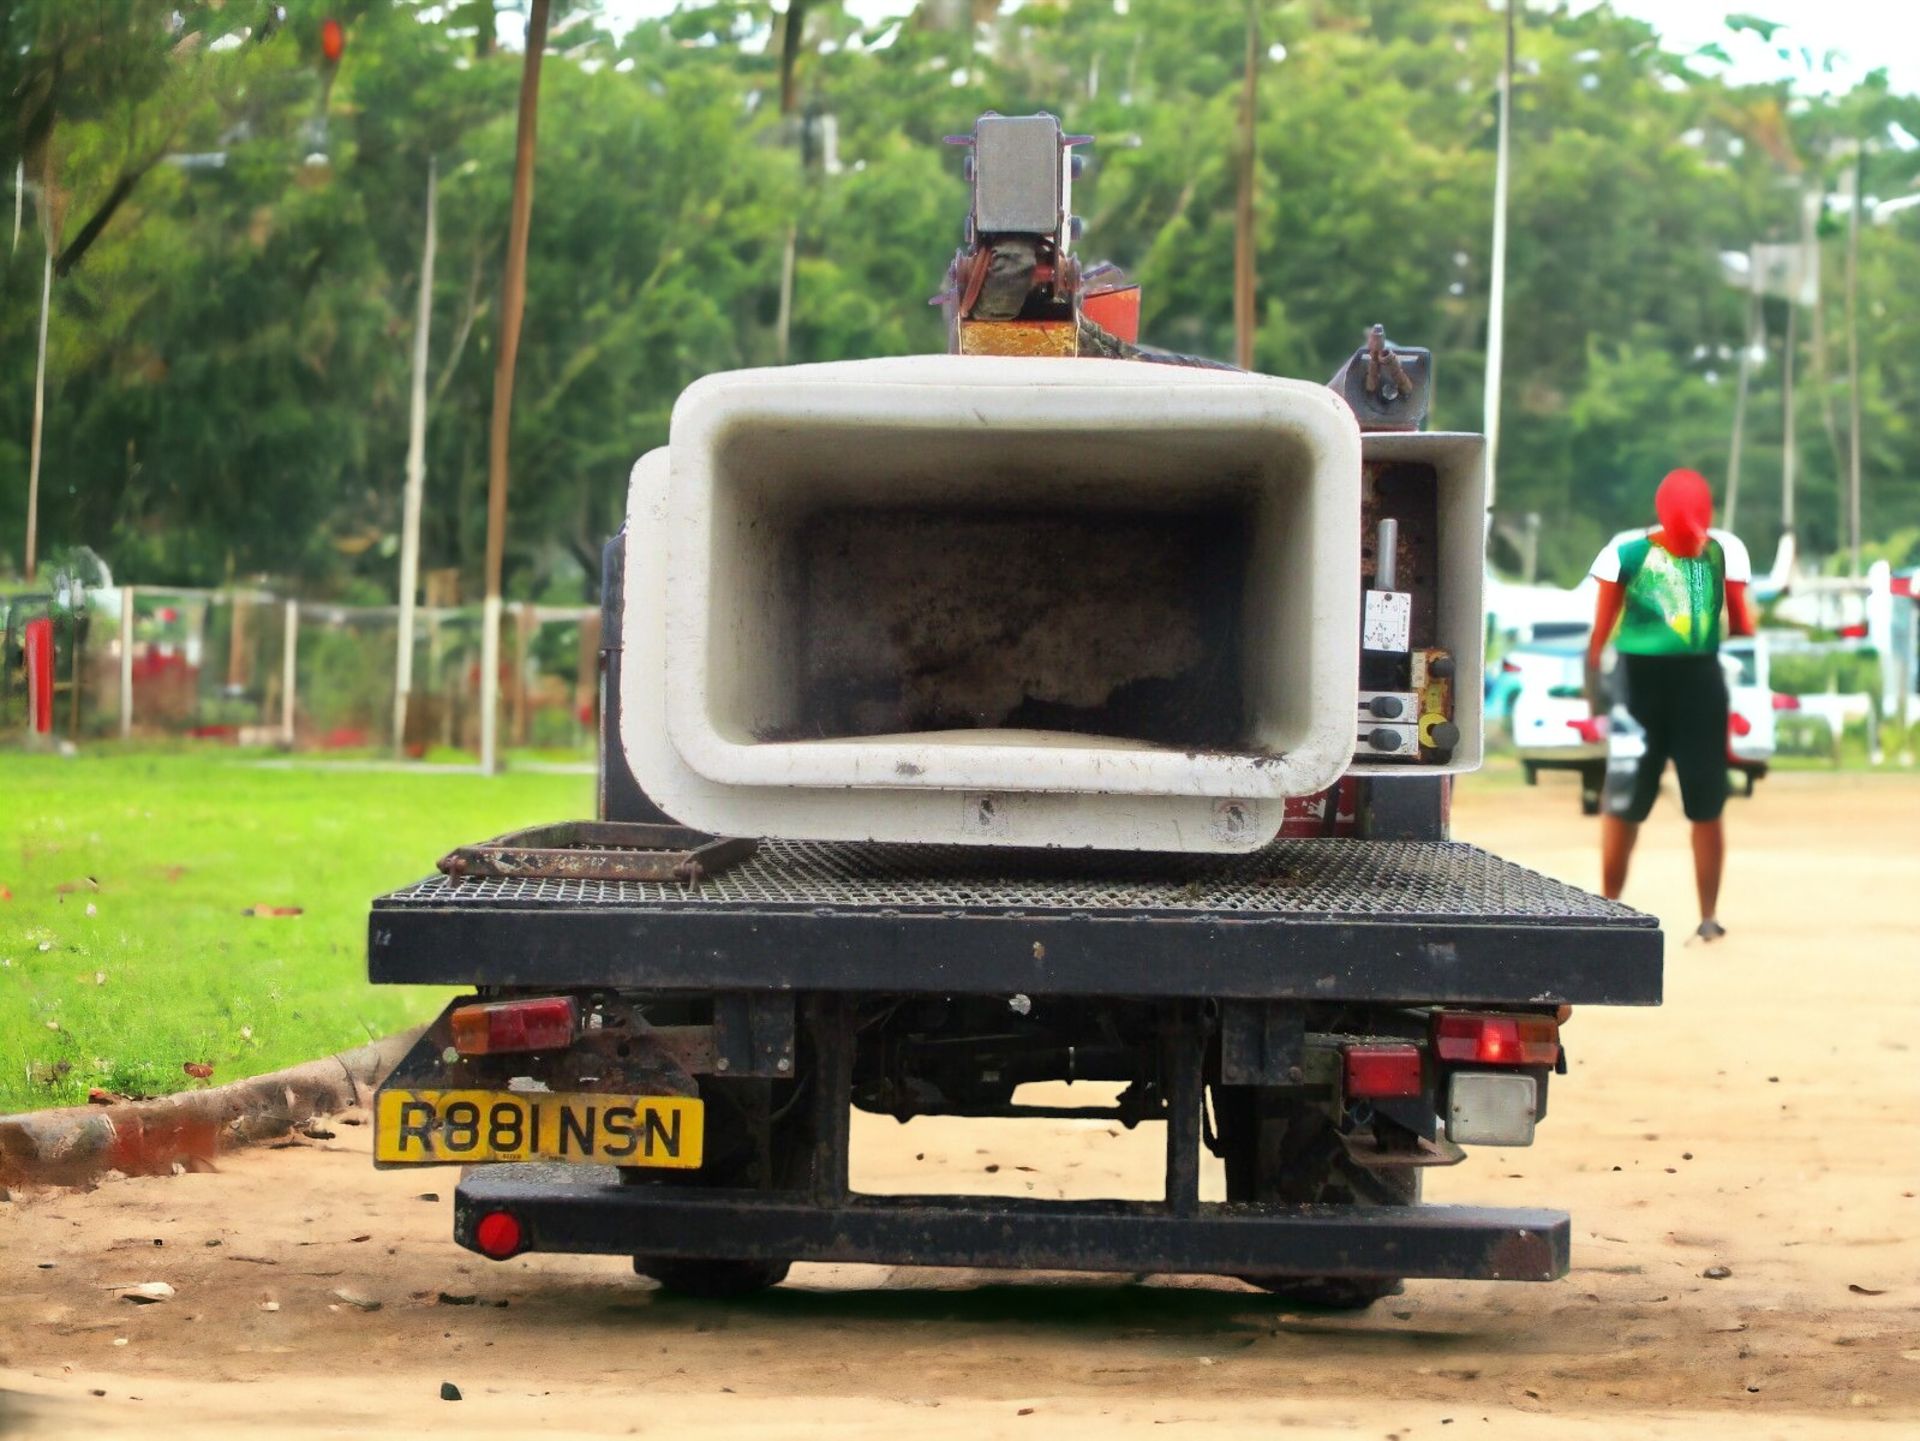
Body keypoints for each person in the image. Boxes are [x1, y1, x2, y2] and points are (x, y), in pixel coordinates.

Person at [1585, 468, 1755, 942]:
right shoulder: (1629, 554)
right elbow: (1599, 636)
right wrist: (1599, 696)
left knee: (1703, 804)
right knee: (1626, 802)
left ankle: (1705, 915)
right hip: (1643, 685)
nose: (1693, 545)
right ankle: (1611, 906)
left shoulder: (1719, 551)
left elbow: (1600, 642)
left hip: (1689, 684)